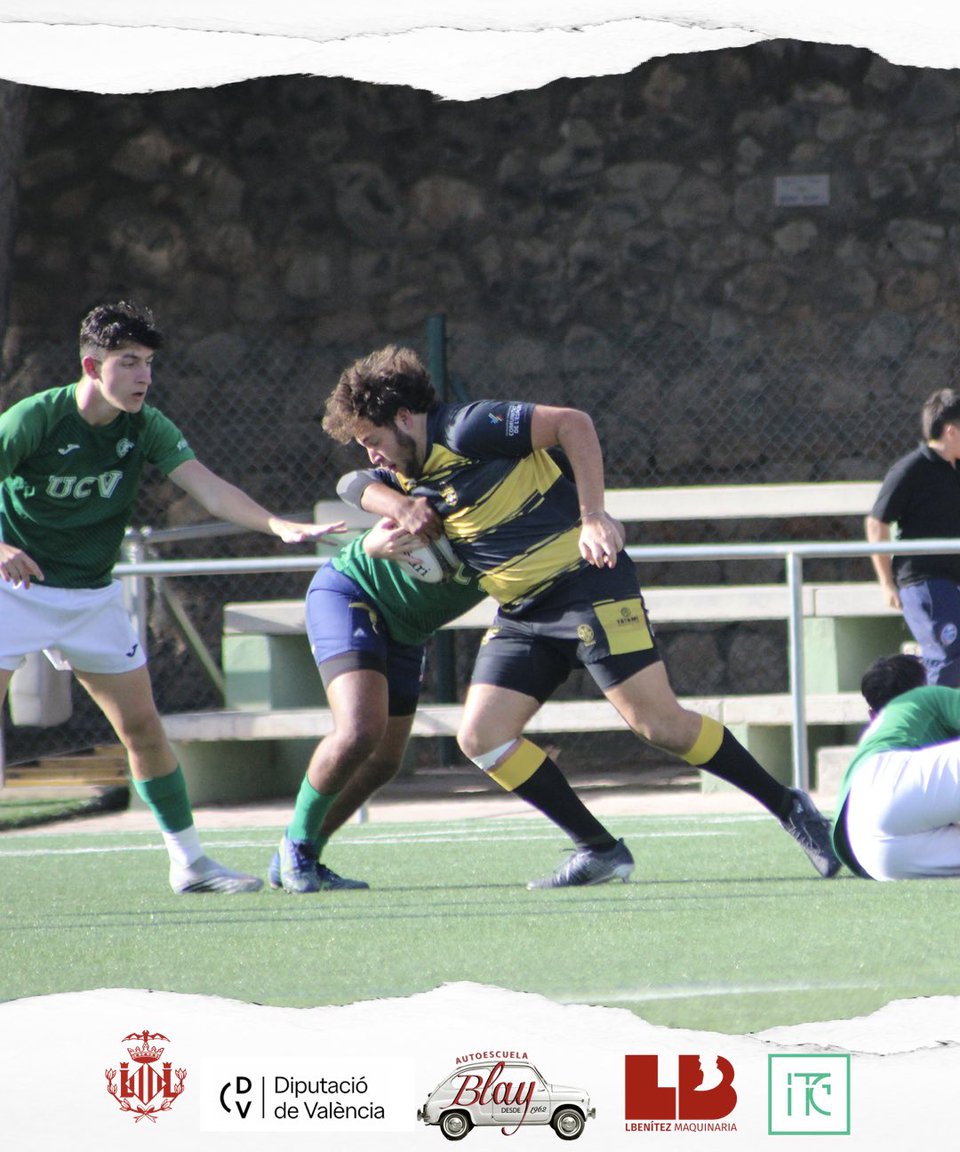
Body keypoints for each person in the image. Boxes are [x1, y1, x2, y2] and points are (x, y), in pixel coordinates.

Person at [322, 345, 841, 886]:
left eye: (373, 442)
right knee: (480, 737)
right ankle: (598, 849)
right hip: (522, 611)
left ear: (405, 418)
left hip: (587, 584)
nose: (373, 456)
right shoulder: (405, 468)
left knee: (658, 725)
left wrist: (593, 515)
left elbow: (575, 424)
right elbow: (350, 486)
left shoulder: (470, 427)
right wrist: (397, 505)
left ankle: (790, 807)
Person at [0, 300, 345, 894]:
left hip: (91, 597)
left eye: (149, 364)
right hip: (15, 591)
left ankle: (189, 864)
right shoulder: (34, 419)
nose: (143, 376)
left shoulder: (147, 428)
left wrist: (276, 526)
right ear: (91, 365)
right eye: (128, 362)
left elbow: (209, 488)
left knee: (143, 728)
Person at [269, 516, 486, 892]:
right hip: (354, 591)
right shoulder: (472, 478)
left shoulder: (532, 535)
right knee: (358, 732)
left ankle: (301, 853)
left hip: (409, 630)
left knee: (385, 762)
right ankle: (298, 845)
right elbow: (355, 484)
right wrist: (399, 508)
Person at [832, 652, 960, 879]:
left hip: (871, 854)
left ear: (872, 715)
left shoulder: (874, 734)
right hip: (889, 778)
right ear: (923, 686)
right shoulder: (925, 697)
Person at [866, 387, 960, 686]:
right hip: (924, 582)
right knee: (946, 658)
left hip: (953, 580)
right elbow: (876, 523)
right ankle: (938, 733)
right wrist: (886, 584)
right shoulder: (910, 469)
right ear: (951, 431)